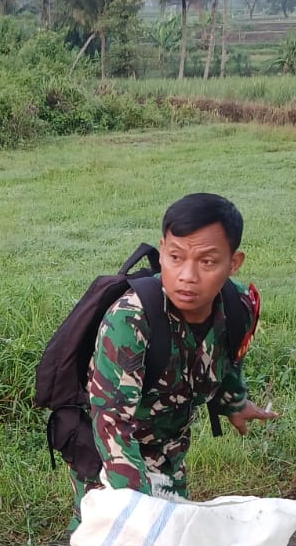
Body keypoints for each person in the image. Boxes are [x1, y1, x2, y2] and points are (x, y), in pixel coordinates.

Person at [84, 193, 278, 503]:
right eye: (176, 257)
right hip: (106, 454)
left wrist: (235, 403)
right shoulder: (131, 320)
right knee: (111, 543)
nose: (188, 276)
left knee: (171, 538)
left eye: (208, 262)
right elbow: (111, 422)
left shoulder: (236, 306)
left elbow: (226, 359)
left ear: (234, 263)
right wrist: (136, 507)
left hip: (168, 451)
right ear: (161, 252)